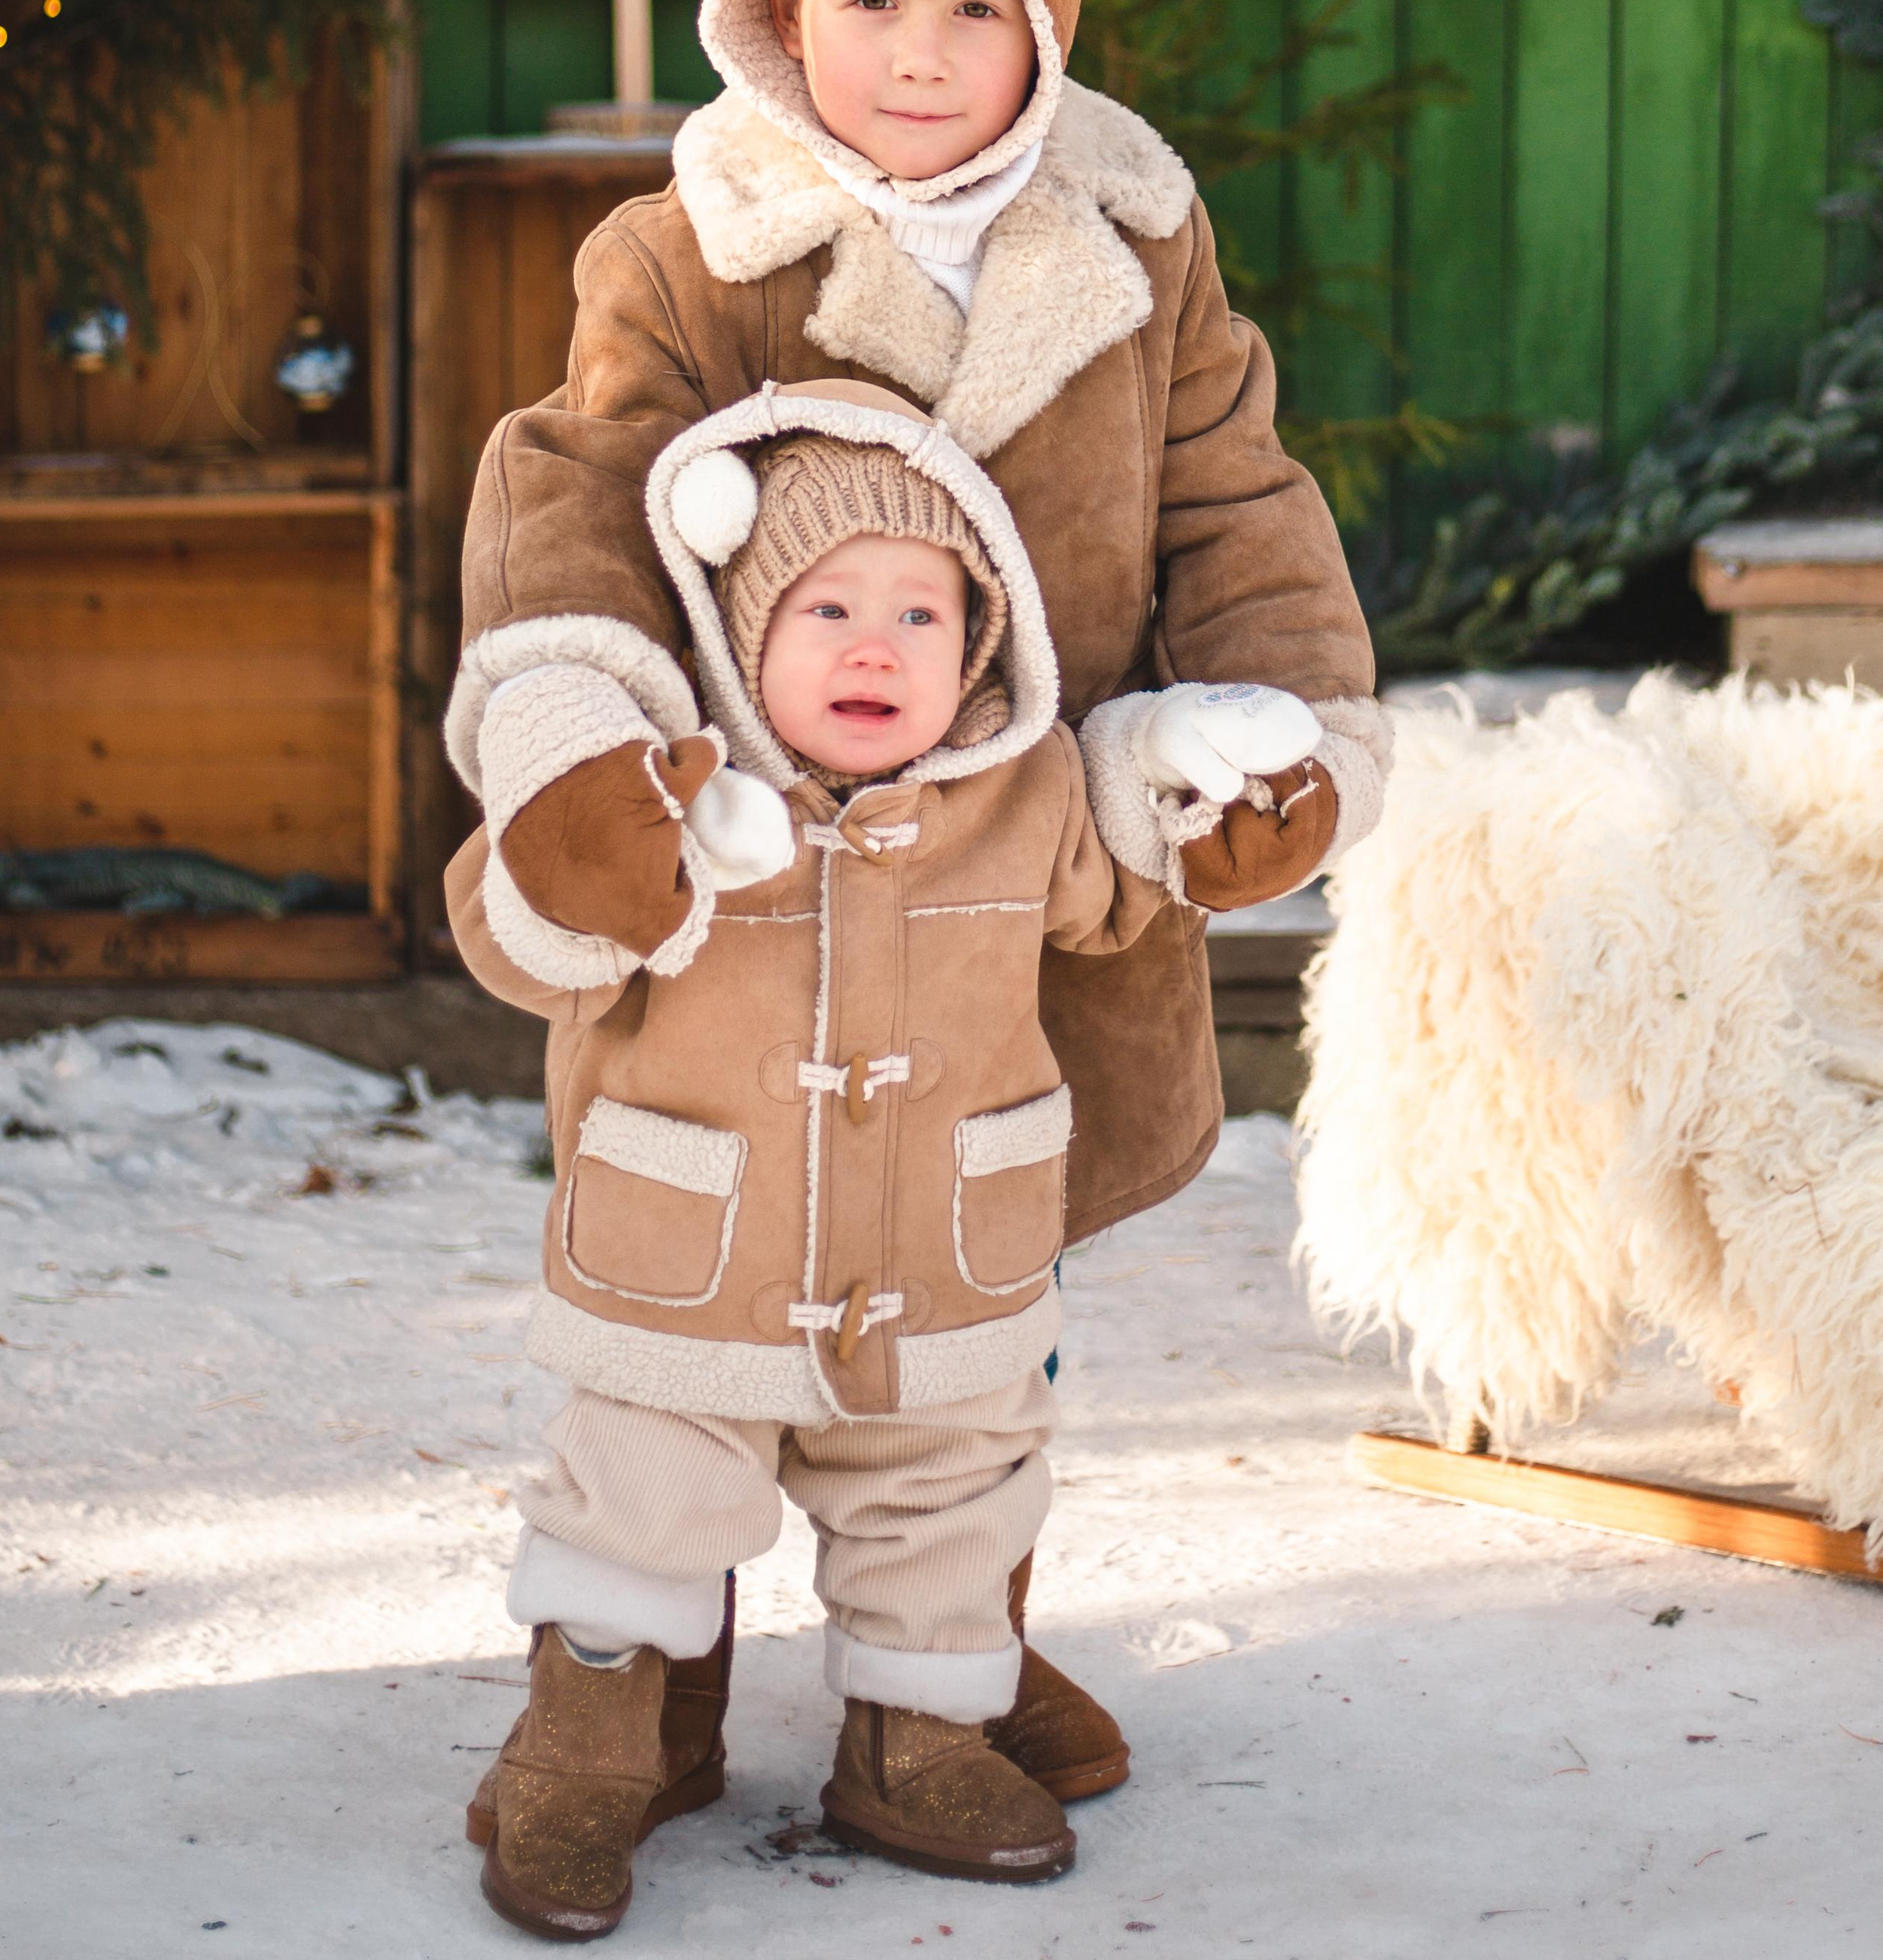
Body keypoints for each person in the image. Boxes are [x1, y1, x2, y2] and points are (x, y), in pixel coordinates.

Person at [443, 0, 1386, 1855]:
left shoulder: (1136, 246)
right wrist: (585, 749)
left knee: (985, 1275)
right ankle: (650, 1680)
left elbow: (1236, 503)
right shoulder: (690, 247)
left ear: (1052, 18)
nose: (923, 56)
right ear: (780, 7)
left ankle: (941, 1635)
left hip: (1017, 888)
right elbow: (576, 507)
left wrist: (1278, 741)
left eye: (983, 8)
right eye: (871, 1)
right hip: (745, 899)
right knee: (711, 1282)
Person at [447, 381, 1336, 1933]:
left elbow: (1132, 843)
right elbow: (515, 932)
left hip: (939, 1266)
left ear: (981, 644)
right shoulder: (679, 801)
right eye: (829, 606)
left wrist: (1206, 800)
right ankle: (589, 1736)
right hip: (695, 1275)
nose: (877, 646)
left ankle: (914, 1734)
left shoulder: (1023, 792)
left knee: (955, 1501)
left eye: (923, 614)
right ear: (743, 630)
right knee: (634, 1501)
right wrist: (591, 858)